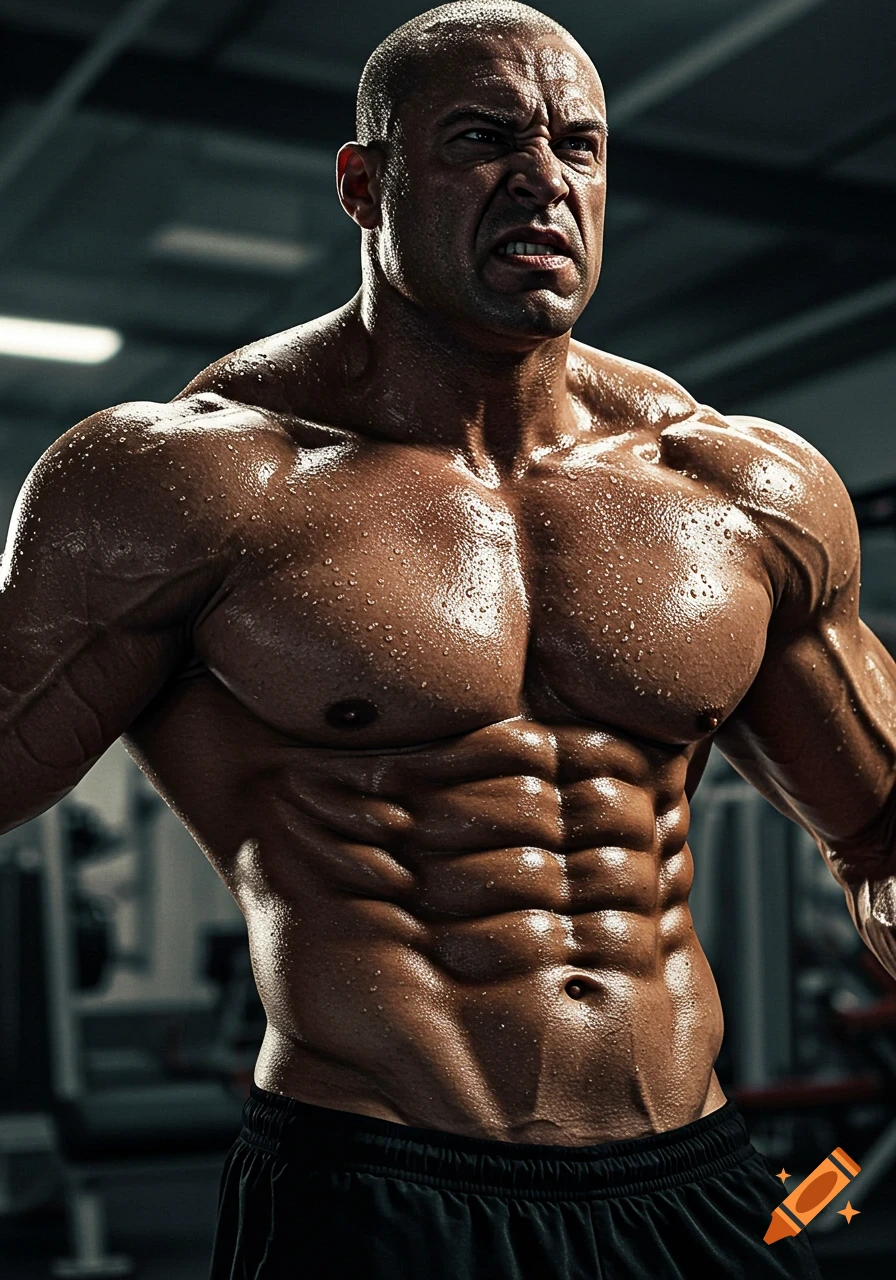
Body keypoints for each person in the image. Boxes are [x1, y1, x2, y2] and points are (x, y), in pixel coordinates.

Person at [1, 1, 894, 1275]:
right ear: (364, 184)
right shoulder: (189, 482)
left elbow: (878, 823)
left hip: (693, 1169)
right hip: (380, 1186)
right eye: (483, 138)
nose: (542, 180)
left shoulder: (732, 486)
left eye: (576, 146)